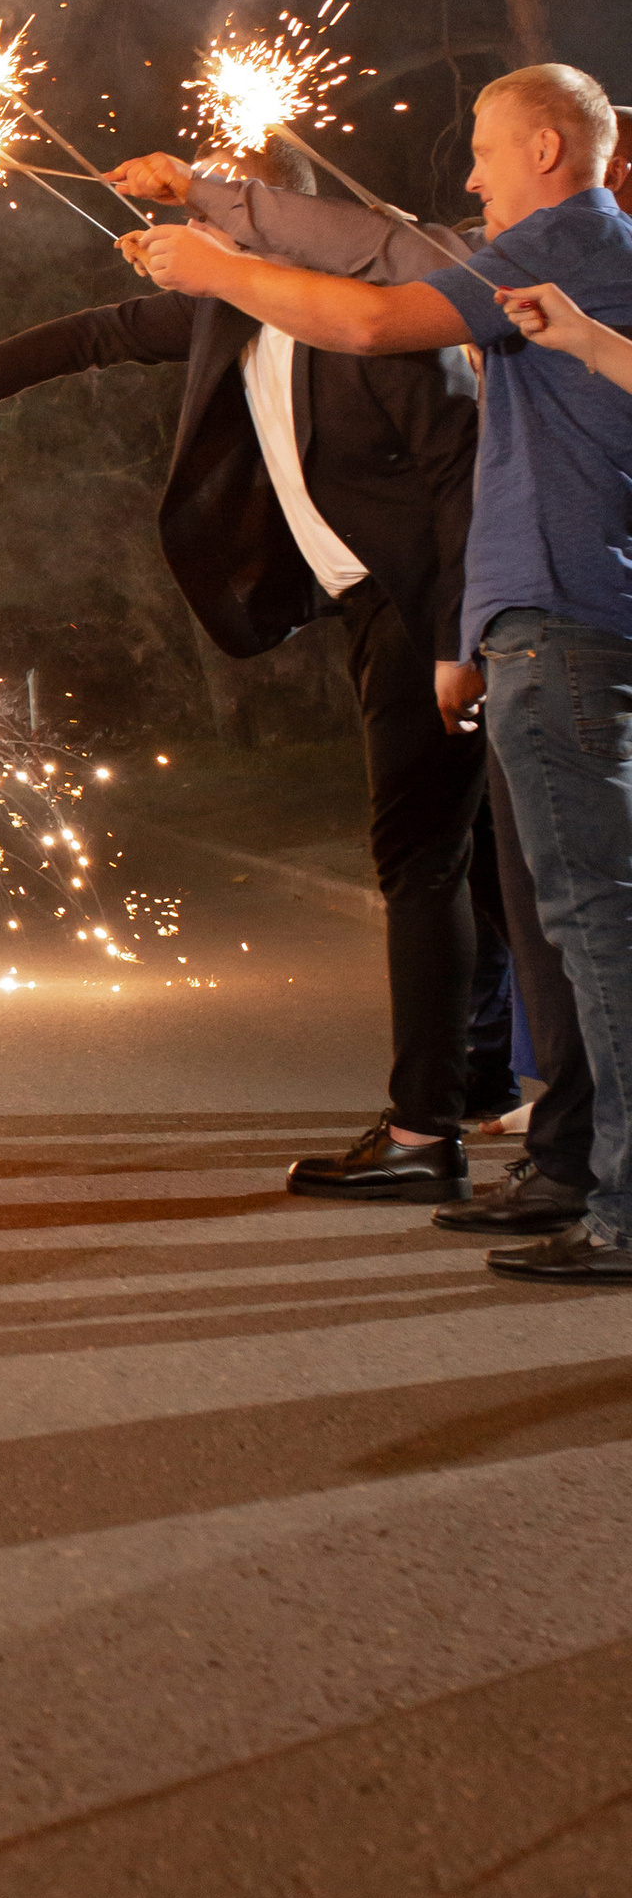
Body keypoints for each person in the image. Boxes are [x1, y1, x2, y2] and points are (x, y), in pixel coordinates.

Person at [0, 138, 492, 1201]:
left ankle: (424, 1134)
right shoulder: (225, 311)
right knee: (471, 856)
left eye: (211, 212)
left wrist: (455, 643)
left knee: (425, 858)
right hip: (366, 606)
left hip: (425, 600)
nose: (181, 236)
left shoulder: (370, 313)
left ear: (270, 224)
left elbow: (456, 480)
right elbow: (98, 333)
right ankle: (477, 1086)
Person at [127, 62, 632, 1281]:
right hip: (535, 625)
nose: (467, 174)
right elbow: (373, 246)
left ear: (551, 152)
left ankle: (621, 1205)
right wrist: (211, 191)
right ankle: (571, 1171)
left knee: (592, 923)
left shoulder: (569, 244)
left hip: (561, 622)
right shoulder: (545, 249)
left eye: (484, 150)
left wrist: (213, 262)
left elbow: (364, 312)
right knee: (564, 916)